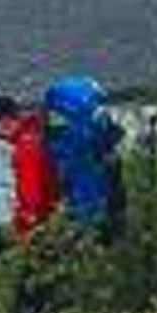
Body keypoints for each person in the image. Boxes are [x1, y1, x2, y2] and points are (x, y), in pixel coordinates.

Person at [41, 74, 129, 235]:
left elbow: (80, 190)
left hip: (90, 209)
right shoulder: (105, 143)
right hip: (105, 205)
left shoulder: (71, 146)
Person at [0, 93, 58, 247]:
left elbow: (32, 199)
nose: (3, 140)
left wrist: (23, 226)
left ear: (4, 123)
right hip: (62, 206)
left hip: (48, 217)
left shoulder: (24, 149)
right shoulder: (39, 129)